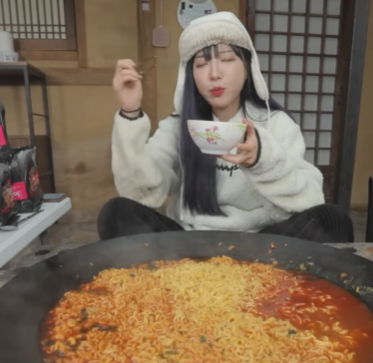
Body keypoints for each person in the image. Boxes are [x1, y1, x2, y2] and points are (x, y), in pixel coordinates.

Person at [98, 11, 353, 243]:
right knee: (116, 212)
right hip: (189, 244)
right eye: (201, 64)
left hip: (260, 245)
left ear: (248, 68)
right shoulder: (178, 126)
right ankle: (187, 272)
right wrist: (130, 113)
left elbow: (308, 200)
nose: (214, 74)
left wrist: (262, 159)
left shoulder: (276, 124)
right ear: (191, 76)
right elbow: (144, 192)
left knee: (333, 219)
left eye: (227, 59)